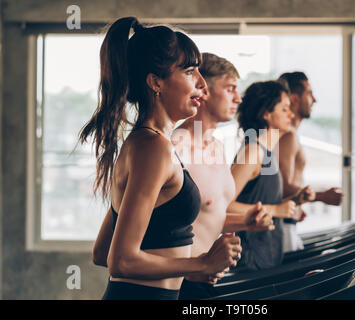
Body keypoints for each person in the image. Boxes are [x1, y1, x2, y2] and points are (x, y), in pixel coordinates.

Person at [80, 17, 241, 300]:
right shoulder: (153, 148)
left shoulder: (150, 144)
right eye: (190, 71)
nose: (202, 84)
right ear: (155, 82)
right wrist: (201, 262)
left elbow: (102, 252)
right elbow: (121, 261)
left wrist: (188, 267)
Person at [172, 52, 275, 299]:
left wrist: (247, 222)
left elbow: (204, 218)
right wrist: (198, 264)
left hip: (206, 281)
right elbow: (149, 232)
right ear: (203, 90)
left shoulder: (217, 147)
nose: (238, 99)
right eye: (230, 89)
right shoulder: (177, 147)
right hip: (177, 284)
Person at [227, 80, 306, 272]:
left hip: (266, 258)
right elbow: (225, 205)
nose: (291, 114)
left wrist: (294, 201)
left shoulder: (266, 152)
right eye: (284, 109)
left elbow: (259, 199)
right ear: (266, 114)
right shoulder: (253, 151)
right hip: (250, 262)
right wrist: (276, 210)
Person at [277, 72, 344, 252]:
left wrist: (298, 203)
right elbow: (281, 186)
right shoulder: (287, 136)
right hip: (280, 226)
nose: (314, 100)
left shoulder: (289, 134)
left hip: (286, 220)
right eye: (309, 93)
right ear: (294, 99)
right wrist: (322, 196)